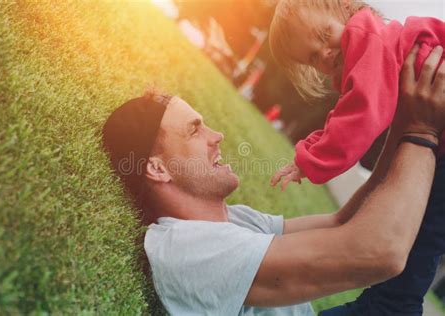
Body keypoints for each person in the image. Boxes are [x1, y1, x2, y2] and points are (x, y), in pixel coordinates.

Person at [100, 47, 444, 315]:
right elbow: (380, 253)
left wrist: (402, 125)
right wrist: (421, 131)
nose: (216, 135)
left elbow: (344, 221)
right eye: (193, 129)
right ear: (158, 169)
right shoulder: (184, 247)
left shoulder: (234, 220)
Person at [268, 0, 444, 187]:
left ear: (345, 8)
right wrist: (308, 153)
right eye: (313, 57)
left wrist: (313, 160)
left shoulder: (370, 40)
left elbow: (361, 116)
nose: (324, 53)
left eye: (324, 34)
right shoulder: (365, 60)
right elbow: (345, 115)